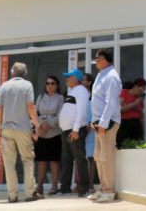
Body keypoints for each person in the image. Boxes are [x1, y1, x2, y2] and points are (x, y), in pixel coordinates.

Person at [0, 61, 39, 203]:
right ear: (24, 73)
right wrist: (36, 126)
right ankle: (29, 193)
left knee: (9, 163)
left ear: (12, 73)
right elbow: (31, 107)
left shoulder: (4, 86)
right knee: (27, 160)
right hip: (23, 128)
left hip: (6, 128)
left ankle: (12, 195)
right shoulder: (27, 85)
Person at [89, 49, 122, 203]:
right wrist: (94, 120)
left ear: (105, 59)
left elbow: (111, 102)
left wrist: (102, 123)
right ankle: (102, 188)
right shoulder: (101, 74)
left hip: (108, 122)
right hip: (98, 121)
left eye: (97, 57)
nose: (95, 60)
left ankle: (109, 191)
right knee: (97, 156)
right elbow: (97, 100)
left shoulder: (112, 76)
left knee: (106, 156)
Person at [57, 68, 91, 197]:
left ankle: (84, 188)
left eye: (69, 77)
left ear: (76, 79)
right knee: (66, 159)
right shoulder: (73, 91)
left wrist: (76, 130)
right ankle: (65, 188)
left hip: (74, 130)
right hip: (67, 130)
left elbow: (82, 111)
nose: (66, 79)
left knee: (80, 159)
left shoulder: (81, 91)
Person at [33, 74, 64, 197]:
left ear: (57, 86)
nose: (50, 86)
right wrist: (40, 124)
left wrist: (49, 124)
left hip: (54, 132)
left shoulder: (60, 98)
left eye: (52, 83)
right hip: (41, 132)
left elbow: (60, 115)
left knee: (53, 160)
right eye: (47, 83)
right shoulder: (40, 97)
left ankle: (54, 185)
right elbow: (35, 112)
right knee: (41, 160)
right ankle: (39, 185)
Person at [117, 78, 146, 148]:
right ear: (136, 86)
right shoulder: (125, 92)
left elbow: (141, 114)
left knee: (137, 145)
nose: (143, 92)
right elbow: (119, 109)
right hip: (125, 123)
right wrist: (135, 103)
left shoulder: (140, 98)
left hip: (136, 123)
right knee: (122, 144)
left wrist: (143, 129)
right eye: (142, 89)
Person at [82, 72, 98, 195]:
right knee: (83, 160)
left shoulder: (91, 101)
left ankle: (91, 185)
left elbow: (89, 121)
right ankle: (82, 184)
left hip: (90, 134)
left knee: (91, 159)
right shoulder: (79, 97)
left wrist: (84, 134)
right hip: (82, 132)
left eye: (84, 80)